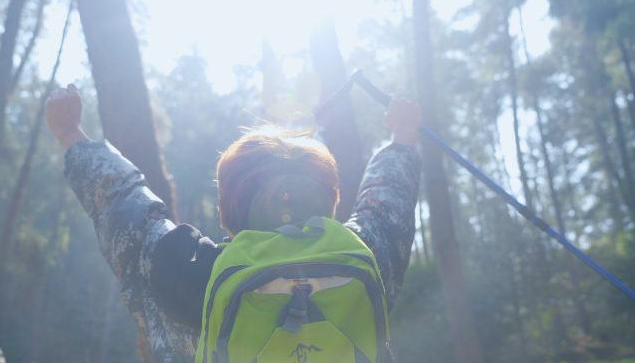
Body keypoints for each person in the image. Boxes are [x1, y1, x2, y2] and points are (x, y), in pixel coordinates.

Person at [45, 83, 422, 363]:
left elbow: (126, 205)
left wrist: (71, 135)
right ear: (330, 202)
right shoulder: (365, 255)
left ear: (227, 210)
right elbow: (388, 200)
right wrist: (403, 135)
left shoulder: (186, 271)